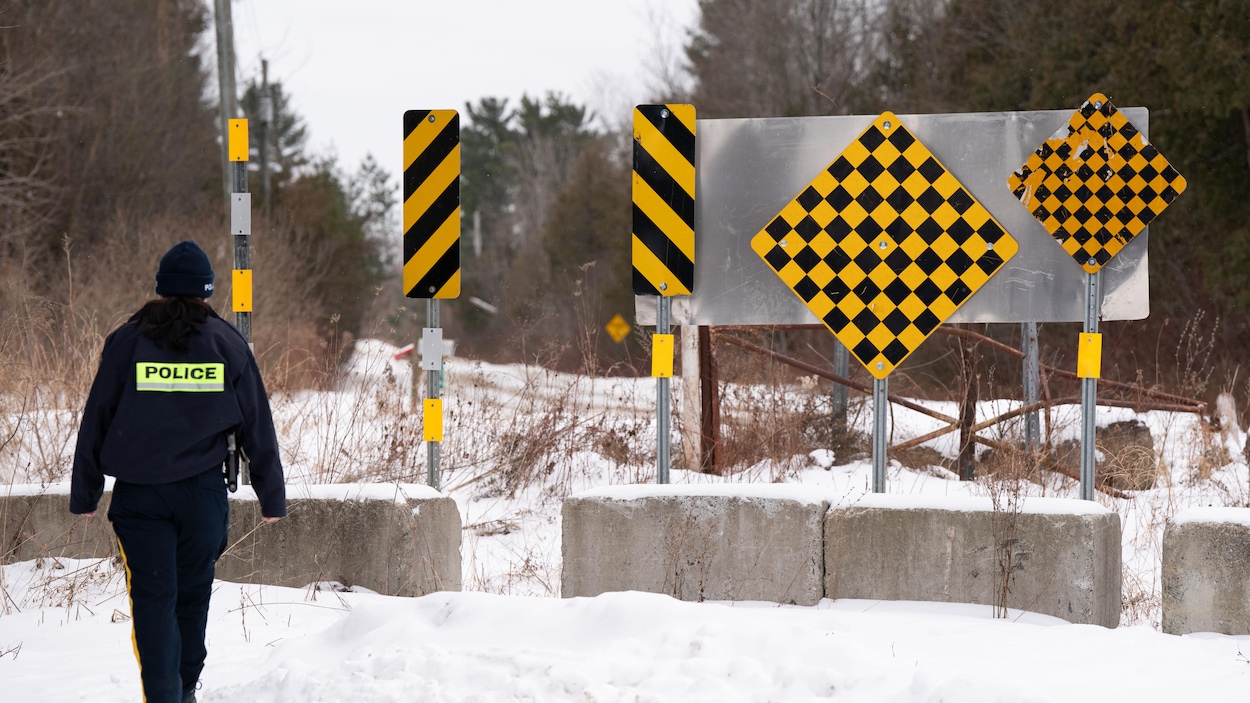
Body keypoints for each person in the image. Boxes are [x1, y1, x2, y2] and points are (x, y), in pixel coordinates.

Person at [70, 240, 286, 703]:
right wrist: (271, 496)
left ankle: (166, 696)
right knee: (192, 596)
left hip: (140, 497)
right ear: (207, 291)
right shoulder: (227, 342)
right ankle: (185, 689)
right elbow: (256, 422)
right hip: (202, 496)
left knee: (152, 601)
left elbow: (97, 417)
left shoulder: (127, 341)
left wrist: (86, 492)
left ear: (161, 288)